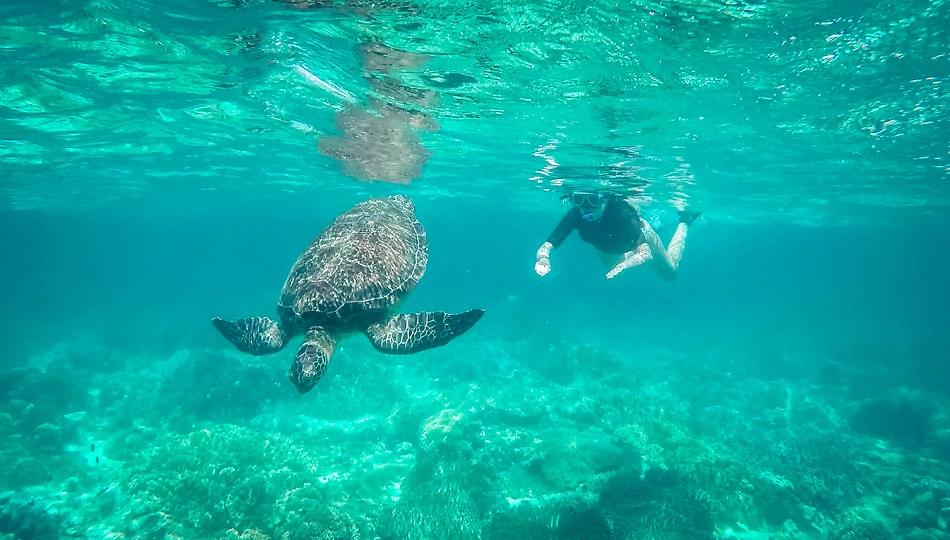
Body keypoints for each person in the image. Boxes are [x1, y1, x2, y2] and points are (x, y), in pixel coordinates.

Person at [534, 191, 701, 280]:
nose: (586, 207)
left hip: (641, 236)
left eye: (592, 199)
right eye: (579, 199)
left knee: (670, 274)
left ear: (605, 199)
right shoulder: (575, 215)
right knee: (613, 265)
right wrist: (543, 259)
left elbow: (645, 253)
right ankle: (650, 234)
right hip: (613, 246)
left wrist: (624, 265)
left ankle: (685, 221)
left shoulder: (621, 213)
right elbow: (548, 244)